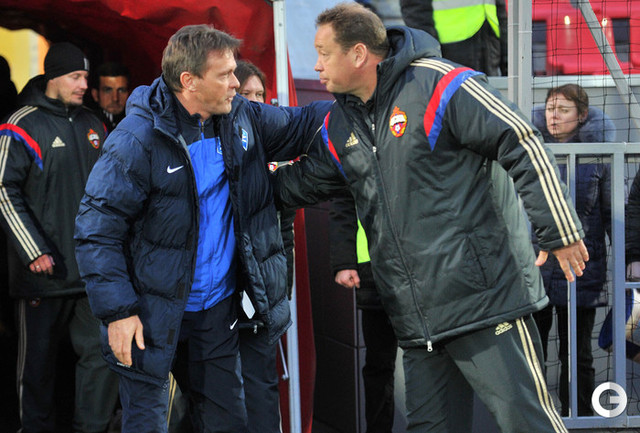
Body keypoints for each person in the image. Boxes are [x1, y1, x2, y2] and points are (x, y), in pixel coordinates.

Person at [275, 3, 589, 432]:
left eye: (324, 53)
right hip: (417, 321)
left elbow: (520, 139)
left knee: (528, 423)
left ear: (359, 54)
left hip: (485, 303)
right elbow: (300, 183)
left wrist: (559, 231)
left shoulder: (441, 84)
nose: (316, 65)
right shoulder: (341, 123)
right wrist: (230, 187)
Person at [74, 24, 328, 433]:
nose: (237, 83)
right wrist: (119, 312)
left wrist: (365, 100)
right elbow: (96, 229)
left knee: (226, 422)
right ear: (189, 81)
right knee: (148, 424)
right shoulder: (136, 139)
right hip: (149, 315)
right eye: (225, 75)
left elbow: (301, 124)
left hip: (216, 313)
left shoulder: (240, 115)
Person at [0, 42, 119, 433]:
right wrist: (33, 250)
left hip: (91, 272)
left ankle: (91, 428)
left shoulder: (94, 124)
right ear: (53, 77)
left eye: (86, 76)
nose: (84, 84)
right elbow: (3, 190)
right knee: (37, 368)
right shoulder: (20, 125)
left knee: (100, 356)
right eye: (76, 77)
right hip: (43, 274)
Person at [531, 83, 614, 416]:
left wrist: (629, 259)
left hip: (581, 271)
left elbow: (611, 213)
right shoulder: (530, 152)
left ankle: (579, 418)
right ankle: (536, 420)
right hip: (536, 270)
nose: (554, 116)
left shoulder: (600, 155)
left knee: (577, 355)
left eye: (563, 110)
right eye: (550, 109)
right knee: (532, 354)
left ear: (582, 116)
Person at [233, 59, 292, 433]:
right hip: (222, 297)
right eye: (246, 94)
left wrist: (280, 289)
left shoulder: (274, 151)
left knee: (262, 390)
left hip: (262, 298)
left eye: (260, 94)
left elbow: (284, 233)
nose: (255, 103)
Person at [329, 195, 398, 433]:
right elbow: (343, 199)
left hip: (418, 259)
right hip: (373, 266)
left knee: (429, 357)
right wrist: (343, 261)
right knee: (380, 364)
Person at [399, 0, 507, 76]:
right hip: (448, 52)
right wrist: (431, 56)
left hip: (489, 45)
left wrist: (508, 63)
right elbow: (414, 11)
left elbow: (500, 10)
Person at [90, 61, 130, 132]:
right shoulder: (86, 124)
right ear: (95, 94)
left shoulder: (139, 123)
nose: (115, 98)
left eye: (121, 90)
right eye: (108, 90)